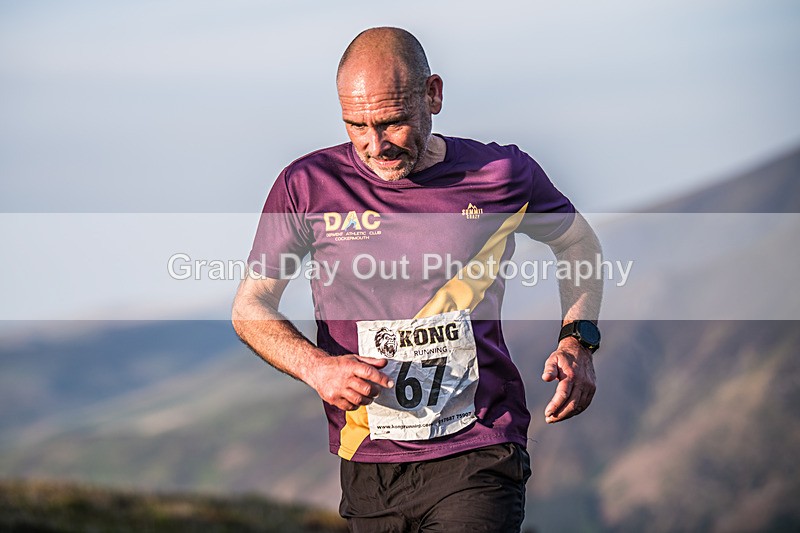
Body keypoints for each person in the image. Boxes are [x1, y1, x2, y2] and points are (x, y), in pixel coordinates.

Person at [232, 27, 602, 532]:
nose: (374, 144)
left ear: (434, 94)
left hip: (480, 446)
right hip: (368, 458)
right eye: (356, 125)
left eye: (393, 123)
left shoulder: (500, 173)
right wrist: (318, 368)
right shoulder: (307, 185)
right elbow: (251, 305)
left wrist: (577, 339)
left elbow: (577, 242)